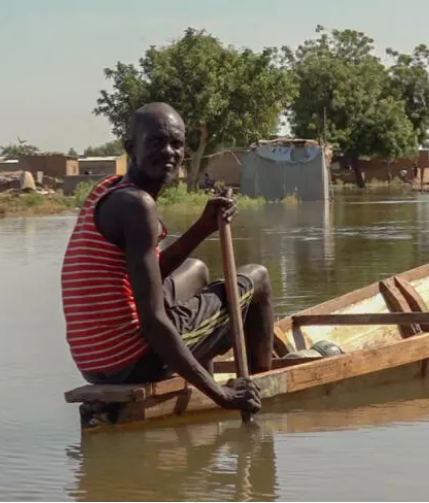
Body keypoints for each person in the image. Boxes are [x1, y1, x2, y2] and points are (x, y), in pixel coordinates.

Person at [60, 102, 271, 416]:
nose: (170, 152)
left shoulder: (109, 190)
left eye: (177, 143)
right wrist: (223, 397)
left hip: (96, 364)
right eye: (157, 142)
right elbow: (154, 322)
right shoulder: (137, 205)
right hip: (132, 360)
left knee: (196, 270)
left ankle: (204, 375)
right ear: (131, 147)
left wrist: (202, 228)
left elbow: (150, 276)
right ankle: (259, 388)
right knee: (259, 278)